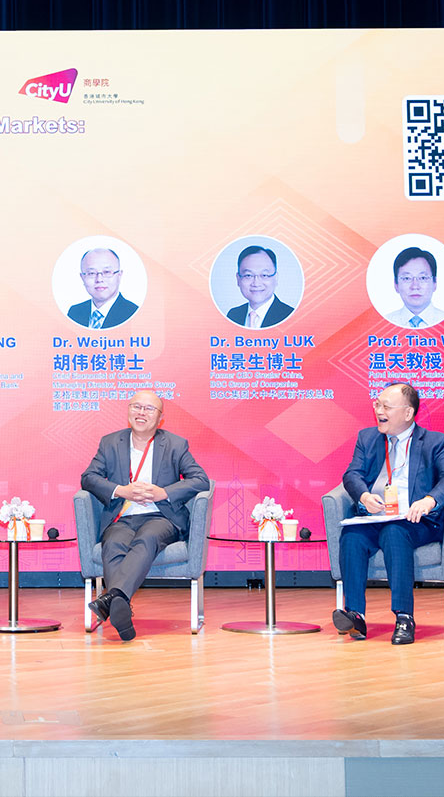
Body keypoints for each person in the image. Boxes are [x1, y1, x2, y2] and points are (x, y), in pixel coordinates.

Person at [332, 382, 444, 645]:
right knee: (352, 535)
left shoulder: (434, 442)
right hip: (376, 516)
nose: (378, 410)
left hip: (415, 520)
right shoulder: (367, 438)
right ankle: (355, 615)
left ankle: (404, 617)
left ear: (408, 413)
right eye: (377, 404)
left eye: (386, 406)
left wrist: (429, 500)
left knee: (395, 532)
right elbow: (352, 475)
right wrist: (365, 496)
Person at [81, 390, 209, 641]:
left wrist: (164, 492)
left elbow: (200, 480)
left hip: (160, 517)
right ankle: (119, 606)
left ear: (160, 418)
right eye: (136, 407)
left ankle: (111, 599)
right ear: (128, 411)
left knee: (147, 539)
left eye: (149, 409)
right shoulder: (110, 443)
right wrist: (121, 490)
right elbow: (88, 478)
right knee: (113, 543)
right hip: (123, 516)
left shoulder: (175, 444)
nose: (141, 413)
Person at [65, 247, 139, 329]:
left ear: (119, 275)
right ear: (82, 277)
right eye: (91, 273)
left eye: (107, 272)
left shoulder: (134, 314)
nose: (99, 279)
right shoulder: (74, 312)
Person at [224, 245, 295, 329]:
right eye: (248, 275)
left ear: (276, 278)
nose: (256, 283)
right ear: (238, 279)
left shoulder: (291, 316)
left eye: (264, 275)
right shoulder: (233, 315)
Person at [383, 246, 444, 329]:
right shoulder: (384, 324)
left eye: (423, 278)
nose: (415, 286)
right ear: (396, 285)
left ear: (435, 283)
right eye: (407, 278)